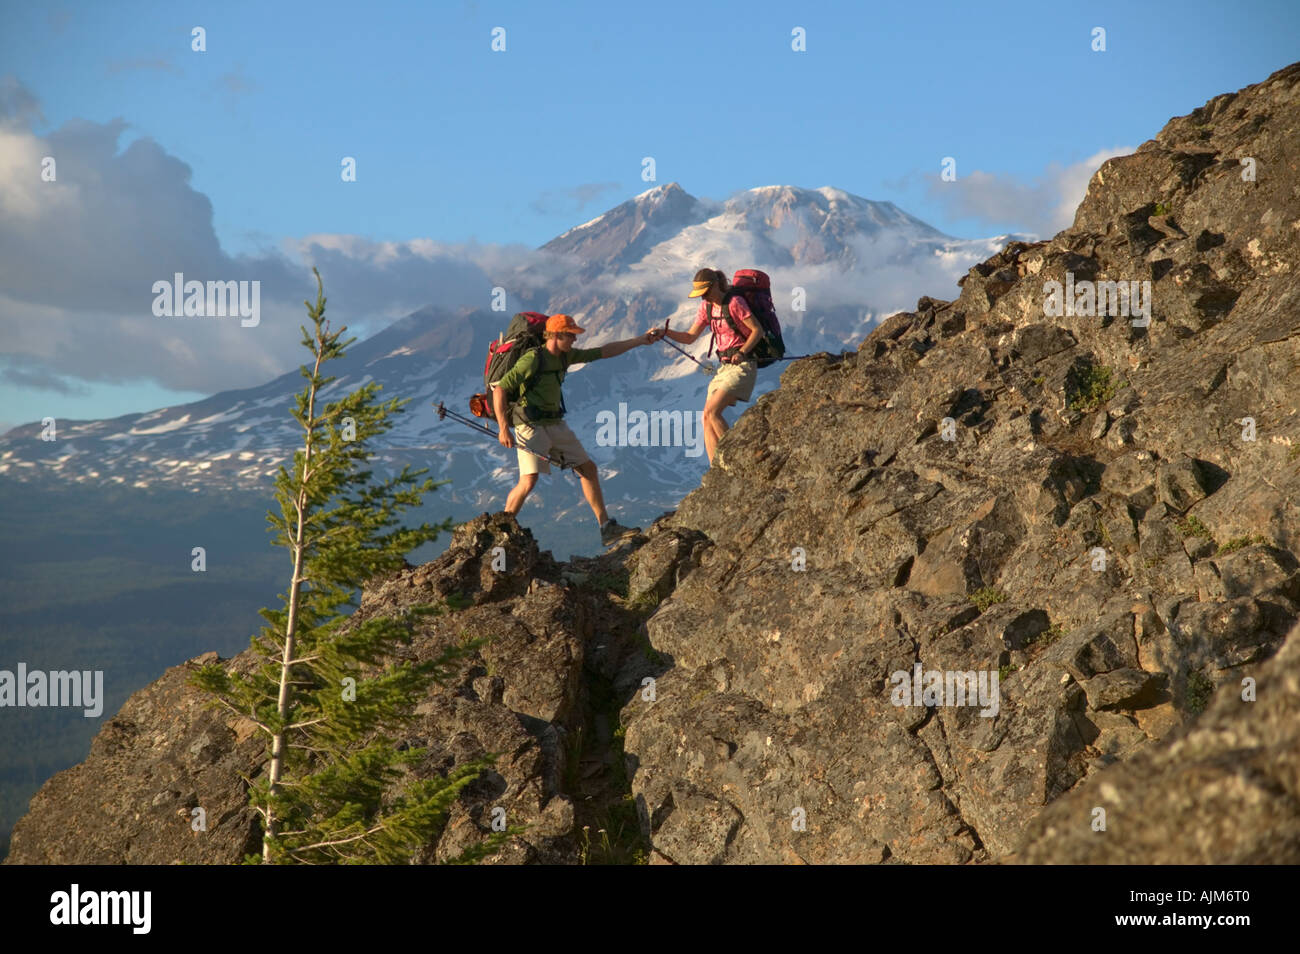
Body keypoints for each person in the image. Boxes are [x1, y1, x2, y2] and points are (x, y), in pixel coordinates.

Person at [494, 313, 666, 546]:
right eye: (571, 336)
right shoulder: (533, 359)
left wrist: (641, 340)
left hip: (555, 423)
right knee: (528, 481)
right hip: (530, 425)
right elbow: (500, 389)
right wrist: (504, 429)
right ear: (556, 336)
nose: (575, 340)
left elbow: (603, 352)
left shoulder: (566, 356)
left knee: (588, 469)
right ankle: (500, 534)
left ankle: (606, 528)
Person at [661, 267, 763, 464]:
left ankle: (735, 460)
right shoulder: (706, 308)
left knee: (712, 412)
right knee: (706, 418)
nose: (704, 298)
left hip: (743, 366)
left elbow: (757, 330)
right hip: (724, 367)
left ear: (716, 285)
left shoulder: (735, 303)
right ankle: (717, 469)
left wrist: (742, 352)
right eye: (701, 295)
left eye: (706, 293)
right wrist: (665, 333)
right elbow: (689, 337)